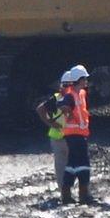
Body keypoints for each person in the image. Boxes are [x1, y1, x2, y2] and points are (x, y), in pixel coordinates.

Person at [35, 65, 94, 204]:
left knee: (71, 165)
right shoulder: (64, 98)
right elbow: (42, 109)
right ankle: (73, 194)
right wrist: (53, 122)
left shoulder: (78, 95)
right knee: (75, 165)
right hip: (64, 137)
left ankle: (70, 194)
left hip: (70, 135)